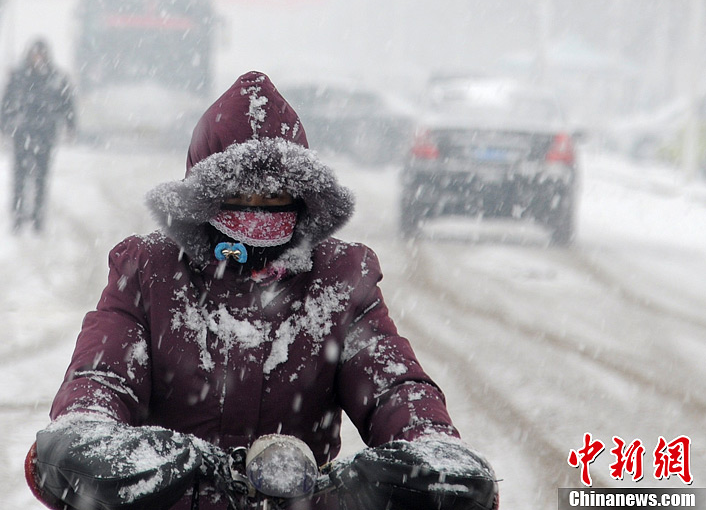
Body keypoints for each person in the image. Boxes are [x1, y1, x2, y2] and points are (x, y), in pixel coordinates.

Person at [25, 71, 499, 510]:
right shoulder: (149, 271)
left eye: (274, 197)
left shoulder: (339, 279)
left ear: (302, 199)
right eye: (239, 195)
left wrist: (429, 443)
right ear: (205, 199)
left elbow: (394, 386)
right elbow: (102, 377)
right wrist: (88, 439)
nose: (257, 212)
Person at [0, 39, 76, 234]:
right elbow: (5, 103)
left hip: (45, 135)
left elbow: (68, 104)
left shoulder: (56, 78)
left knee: (41, 178)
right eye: (35, 54)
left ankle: (37, 219)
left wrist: (70, 125)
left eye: (41, 54)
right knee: (19, 177)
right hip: (21, 133)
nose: (38, 58)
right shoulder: (18, 77)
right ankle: (17, 217)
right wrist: (3, 127)